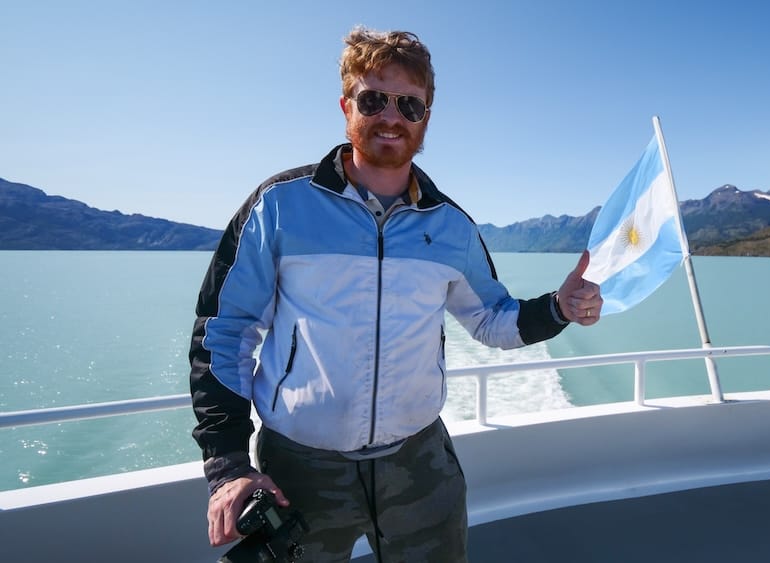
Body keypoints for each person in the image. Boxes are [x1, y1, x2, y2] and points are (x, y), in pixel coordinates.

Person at [188, 26, 602, 562]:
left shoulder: (452, 227)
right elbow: (224, 331)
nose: (391, 116)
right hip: (300, 468)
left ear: (426, 117)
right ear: (346, 105)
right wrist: (227, 466)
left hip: (419, 464)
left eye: (409, 105)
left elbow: (491, 319)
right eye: (373, 99)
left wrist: (559, 308)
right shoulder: (279, 207)